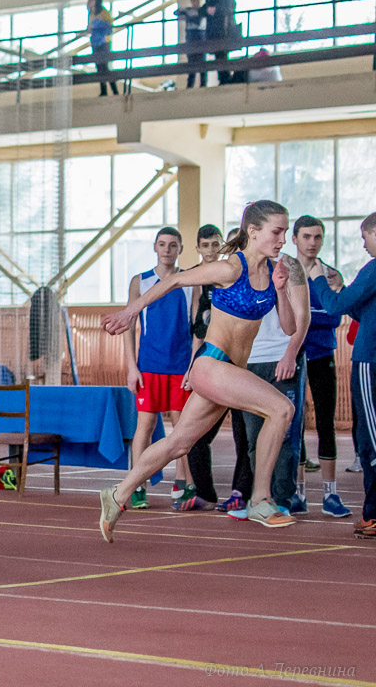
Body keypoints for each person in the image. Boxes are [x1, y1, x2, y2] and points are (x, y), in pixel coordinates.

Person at [99, 200, 300, 542]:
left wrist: (281, 291)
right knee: (282, 408)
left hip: (229, 371)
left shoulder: (271, 274)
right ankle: (261, 499)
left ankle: (118, 494)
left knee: (179, 443)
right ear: (253, 232)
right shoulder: (229, 269)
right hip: (211, 362)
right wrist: (130, 312)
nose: (283, 239)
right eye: (277, 231)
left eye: (284, 232)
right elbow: (175, 280)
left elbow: (289, 327)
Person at [307, 212, 376, 540]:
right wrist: (341, 291)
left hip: (369, 360)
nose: (363, 245)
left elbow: (335, 307)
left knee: (371, 440)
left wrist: (320, 279)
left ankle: (374, 514)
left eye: (365, 237)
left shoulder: (375, 267)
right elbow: (360, 308)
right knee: (368, 437)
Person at [230, 249, 310, 520]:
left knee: (284, 436)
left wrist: (290, 355)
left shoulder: (288, 265)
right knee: (253, 438)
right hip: (249, 363)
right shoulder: (238, 268)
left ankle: (283, 499)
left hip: (281, 360)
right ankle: (259, 500)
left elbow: (303, 316)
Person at [123, 227, 196, 510]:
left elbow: (196, 328)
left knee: (182, 428)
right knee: (145, 425)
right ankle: (137, 484)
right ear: (155, 247)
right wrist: (132, 366)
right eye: (162, 244)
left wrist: (192, 367)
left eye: (173, 245)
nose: (167, 249)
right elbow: (129, 326)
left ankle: (181, 482)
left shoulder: (190, 282)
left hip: (180, 366)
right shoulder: (140, 282)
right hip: (149, 365)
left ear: (180, 249)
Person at [184, 224, 253, 510]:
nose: (213, 250)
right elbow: (197, 331)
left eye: (217, 244)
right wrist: (191, 369)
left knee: (244, 435)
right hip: (213, 365)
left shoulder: (252, 280)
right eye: (207, 245)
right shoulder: (201, 282)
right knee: (194, 435)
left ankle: (241, 493)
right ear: (199, 248)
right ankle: (205, 493)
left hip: (242, 367)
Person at [292, 216, 351, 517]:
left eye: (317, 237)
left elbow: (334, 316)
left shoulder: (331, 274)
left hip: (322, 353)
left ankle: (331, 494)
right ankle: (298, 493)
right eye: (306, 236)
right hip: (293, 355)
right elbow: (283, 317)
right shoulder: (285, 272)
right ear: (295, 239)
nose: (312, 242)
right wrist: (314, 314)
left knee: (325, 422)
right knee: (295, 422)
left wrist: (306, 316)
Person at [203, 0, 238, 87]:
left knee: (222, 56)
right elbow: (202, 10)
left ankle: (225, 79)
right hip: (214, 34)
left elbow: (228, 9)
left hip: (224, 33)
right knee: (219, 57)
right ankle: (223, 79)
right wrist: (207, 10)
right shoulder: (210, 0)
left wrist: (215, 10)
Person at [174, 0, 207, 88]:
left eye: (197, 1)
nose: (195, 3)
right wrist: (184, 12)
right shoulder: (188, 10)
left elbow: (198, 21)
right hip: (191, 37)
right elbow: (176, 13)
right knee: (191, 62)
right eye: (194, 1)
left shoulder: (202, 11)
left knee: (201, 61)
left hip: (200, 36)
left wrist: (188, 17)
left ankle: (203, 84)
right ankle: (190, 85)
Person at [87, 0, 117, 97]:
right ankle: (103, 90)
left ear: (96, 0)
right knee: (99, 66)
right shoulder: (90, 13)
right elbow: (89, 28)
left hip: (103, 42)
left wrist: (99, 27)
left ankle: (114, 90)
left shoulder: (104, 12)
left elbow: (109, 27)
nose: (89, 2)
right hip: (95, 42)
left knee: (104, 66)